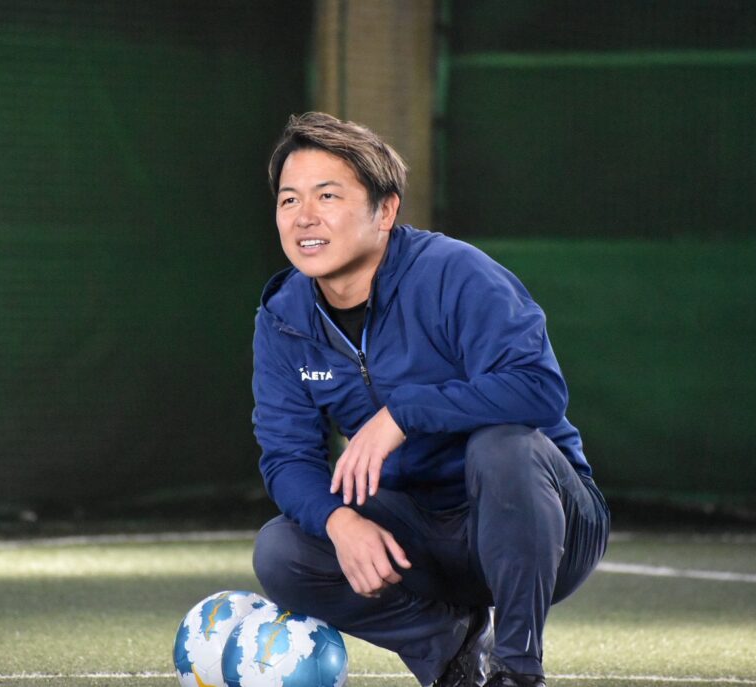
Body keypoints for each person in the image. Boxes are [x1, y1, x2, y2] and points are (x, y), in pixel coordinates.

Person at [249, 112, 610, 687]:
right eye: (289, 200)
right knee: (281, 552)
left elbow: (539, 388)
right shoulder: (283, 318)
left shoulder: (454, 273)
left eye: (327, 196)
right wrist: (340, 521)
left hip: (546, 523)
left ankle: (518, 670)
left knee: (504, 448)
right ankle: (453, 653)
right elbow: (287, 457)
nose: (304, 217)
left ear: (385, 211)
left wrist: (403, 414)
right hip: (420, 536)